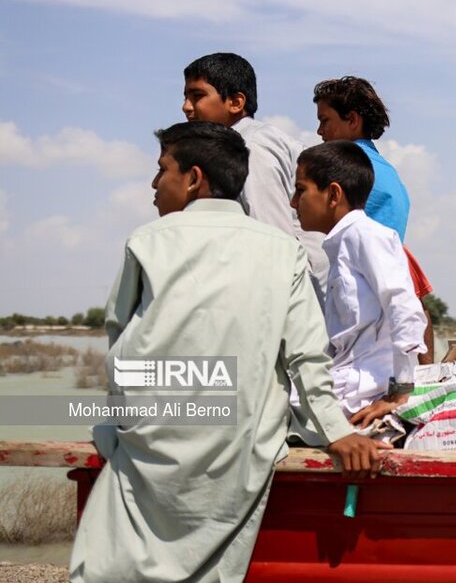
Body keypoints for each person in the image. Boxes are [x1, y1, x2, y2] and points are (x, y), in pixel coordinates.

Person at [70, 122, 381, 583]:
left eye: (162, 171)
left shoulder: (146, 241)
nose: (154, 184)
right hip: (239, 452)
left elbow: (120, 352)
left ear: (194, 178)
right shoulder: (283, 250)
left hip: (146, 445)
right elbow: (306, 357)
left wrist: (117, 428)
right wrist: (335, 432)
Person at [290, 140, 427, 428]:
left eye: (301, 189)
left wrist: (401, 391)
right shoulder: (341, 244)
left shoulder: (366, 235)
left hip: (361, 391)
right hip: (346, 384)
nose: (293, 202)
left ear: (333, 194)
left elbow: (404, 306)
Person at [183, 52, 328, 300]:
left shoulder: (251, 147)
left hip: (291, 296)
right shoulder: (236, 145)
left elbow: (273, 239)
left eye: (197, 96)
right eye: (185, 97)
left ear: (236, 103)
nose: (186, 107)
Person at [312, 75, 436, 364]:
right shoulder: (386, 168)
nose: (319, 131)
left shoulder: (348, 170)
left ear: (352, 120)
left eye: (325, 120)